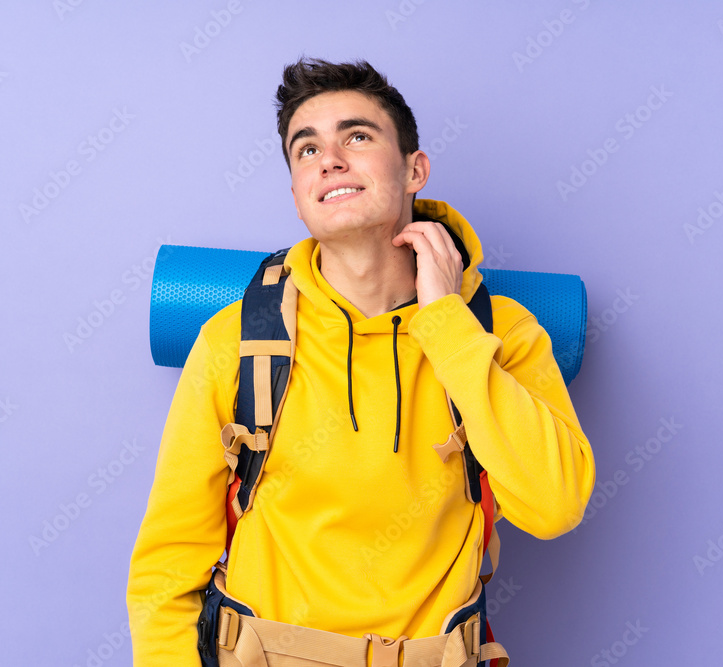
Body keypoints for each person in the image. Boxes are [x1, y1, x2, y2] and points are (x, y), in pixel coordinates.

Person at [127, 57, 595, 666]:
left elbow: (555, 506)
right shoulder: (238, 341)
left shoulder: (500, 332)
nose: (330, 158)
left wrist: (447, 326)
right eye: (306, 150)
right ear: (299, 195)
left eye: (357, 136)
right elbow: (168, 563)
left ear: (414, 170)